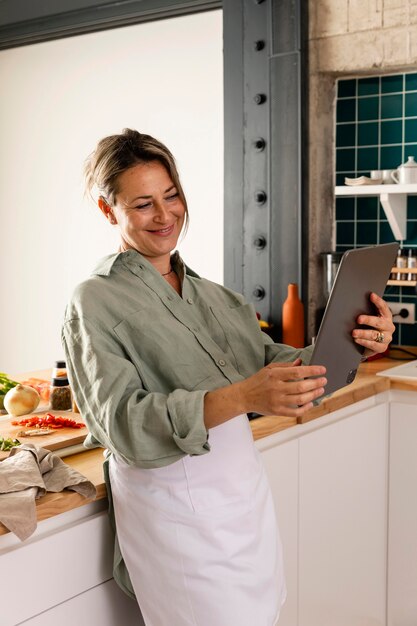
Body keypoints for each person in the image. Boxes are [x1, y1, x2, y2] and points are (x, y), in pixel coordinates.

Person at [62, 128, 395, 626]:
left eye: (171, 195)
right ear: (109, 211)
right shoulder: (93, 300)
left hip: (243, 503)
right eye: (143, 204)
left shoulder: (215, 295)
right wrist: (242, 395)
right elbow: (122, 424)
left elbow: (278, 365)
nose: (165, 214)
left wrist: (361, 342)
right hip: (172, 512)